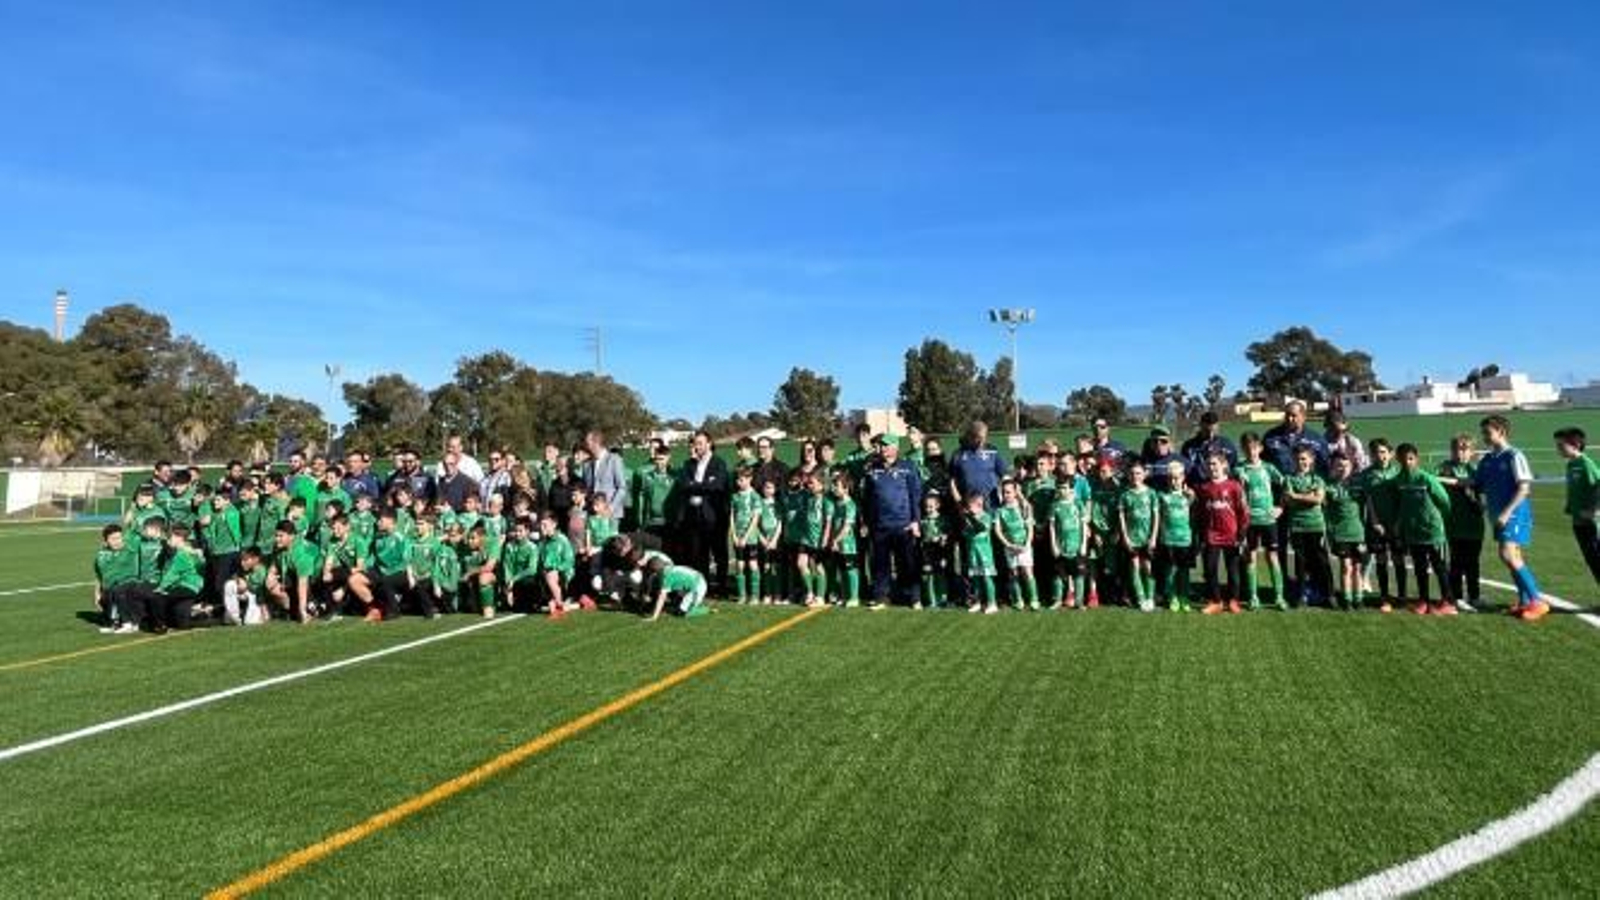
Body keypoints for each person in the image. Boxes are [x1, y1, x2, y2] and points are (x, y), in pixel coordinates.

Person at [1476, 416, 1550, 620]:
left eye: (1487, 432)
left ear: (1501, 431)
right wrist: (1437, 479)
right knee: (1512, 558)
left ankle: (1537, 601)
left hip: (1514, 514)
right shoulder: (1488, 459)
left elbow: (1524, 488)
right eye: (1483, 432)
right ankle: (1525, 601)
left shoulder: (1514, 455)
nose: (1484, 436)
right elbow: (1474, 483)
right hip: (1498, 516)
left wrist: (1506, 513)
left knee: (1508, 555)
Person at [862, 434, 924, 609]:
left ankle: (913, 597)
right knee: (880, 565)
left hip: (904, 525)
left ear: (896, 448)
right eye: (881, 446)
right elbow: (867, 499)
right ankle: (882, 597)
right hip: (880, 526)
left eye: (886, 446)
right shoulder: (871, 469)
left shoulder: (908, 467)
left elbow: (915, 495)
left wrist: (915, 521)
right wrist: (866, 522)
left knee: (908, 563)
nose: (883, 449)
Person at [1394, 443, 1455, 616]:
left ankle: (1448, 601)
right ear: (1398, 459)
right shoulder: (1399, 480)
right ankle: (1423, 601)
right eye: (1403, 459)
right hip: (1413, 532)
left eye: (1411, 458)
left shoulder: (1426, 478)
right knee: (1419, 567)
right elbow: (1401, 505)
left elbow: (1444, 501)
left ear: (1416, 459)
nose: (1407, 462)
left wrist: (1438, 521)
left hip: (1432, 531)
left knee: (1439, 566)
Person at [1236, 433, 1286, 611]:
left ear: (1260, 448)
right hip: (1250, 521)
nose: (1251, 452)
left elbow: (1285, 484)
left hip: (1268, 519)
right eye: (1247, 448)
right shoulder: (1239, 469)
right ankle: (1253, 597)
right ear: (1243, 449)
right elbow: (1234, 493)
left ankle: (1279, 596)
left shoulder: (1268, 468)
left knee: (1272, 557)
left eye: (1254, 448)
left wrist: (1280, 507)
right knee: (1251, 557)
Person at [675, 431, 729, 591]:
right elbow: (684, 485)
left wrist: (694, 486)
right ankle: (703, 587)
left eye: (700, 443)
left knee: (719, 553)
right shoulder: (688, 464)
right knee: (699, 554)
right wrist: (703, 485)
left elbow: (717, 486)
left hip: (714, 516)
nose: (697, 446)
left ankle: (722, 586)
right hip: (694, 516)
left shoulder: (719, 463)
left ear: (709, 443)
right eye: (695, 443)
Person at [1436, 434, 1485, 612]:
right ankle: (1456, 597)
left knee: (1473, 562)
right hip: (1453, 523)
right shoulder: (1444, 468)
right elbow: (1433, 480)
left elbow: (1477, 484)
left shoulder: (1475, 470)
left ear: (1471, 452)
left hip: (1474, 523)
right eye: (1456, 449)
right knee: (1456, 562)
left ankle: (1475, 596)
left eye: (1464, 449)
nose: (1460, 453)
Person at [1196, 453, 1248, 615]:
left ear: (1224, 465)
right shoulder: (1204, 488)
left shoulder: (1234, 486)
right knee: (1210, 569)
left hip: (1231, 535)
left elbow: (1243, 512)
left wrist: (1241, 534)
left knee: (1233, 570)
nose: (1212, 468)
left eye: (1215, 464)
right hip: (1212, 535)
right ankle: (1216, 601)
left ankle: (1233, 600)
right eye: (1209, 465)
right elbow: (1200, 512)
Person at [1360, 438, 1407, 608]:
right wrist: (1374, 522)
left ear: (1391, 453)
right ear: (1371, 456)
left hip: (1397, 524)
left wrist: (1399, 522)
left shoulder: (1399, 472)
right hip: (1376, 526)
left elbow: (1403, 500)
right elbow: (1368, 499)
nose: (1380, 456)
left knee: (1398, 559)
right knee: (1380, 559)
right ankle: (1385, 597)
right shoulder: (1366, 474)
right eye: (1376, 453)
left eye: (1383, 452)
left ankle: (1402, 596)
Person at [1282, 446, 1331, 608]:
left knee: (1322, 561)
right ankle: (1301, 595)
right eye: (1297, 458)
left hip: (1316, 526)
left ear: (1311, 460)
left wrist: (1297, 496)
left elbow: (1318, 500)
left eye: (1304, 458)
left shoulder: (1318, 479)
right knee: (1300, 563)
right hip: (1297, 526)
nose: (1300, 461)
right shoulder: (1288, 479)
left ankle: (1328, 594)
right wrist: (1308, 496)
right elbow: (1288, 500)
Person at [1555, 427, 1600, 589]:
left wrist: (1595, 510)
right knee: (1592, 561)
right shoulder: (1571, 465)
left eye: (1561, 445)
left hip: (1591, 523)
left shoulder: (1585, 464)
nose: (1558, 449)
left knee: (1597, 559)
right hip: (1578, 521)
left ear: (1576, 444)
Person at [1323, 452, 1368, 612]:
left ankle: (1359, 599)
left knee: (1357, 567)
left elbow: (1368, 506)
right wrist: (1328, 532)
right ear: (1333, 467)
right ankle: (1346, 599)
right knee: (1346, 567)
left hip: (1358, 533)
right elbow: (1325, 510)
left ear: (1352, 466)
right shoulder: (1329, 486)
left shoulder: (1359, 484)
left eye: (1346, 465)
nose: (1343, 468)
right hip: (1341, 533)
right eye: (1339, 466)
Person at [1048, 452, 1091, 610]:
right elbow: (1052, 526)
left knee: (1079, 573)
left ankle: (1079, 601)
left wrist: (1085, 537)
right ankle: (1058, 599)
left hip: (1077, 543)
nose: (1063, 490)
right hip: (1061, 544)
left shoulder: (1079, 499)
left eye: (1066, 463)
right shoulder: (1055, 505)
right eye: (1061, 464)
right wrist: (1054, 544)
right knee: (1059, 573)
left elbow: (1087, 504)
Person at [1155, 460, 1195, 613]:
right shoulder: (1162, 496)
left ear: (1183, 477)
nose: (1174, 481)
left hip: (1185, 539)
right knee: (1170, 570)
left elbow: (1195, 513)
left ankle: (1184, 597)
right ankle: (1172, 597)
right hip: (1168, 539)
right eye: (1171, 478)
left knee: (1184, 570)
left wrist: (1191, 497)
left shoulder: (1189, 495)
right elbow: (1158, 517)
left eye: (1177, 477)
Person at [1119, 461, 1159, 611]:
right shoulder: (1125, 495)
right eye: (1132, 473)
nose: (1135, 476)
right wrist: (1125, 537)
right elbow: (1122, 517)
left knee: (1148, 567)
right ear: (1128, 475)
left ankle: (1150, 597)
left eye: (1138, 473)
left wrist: (1153, 537)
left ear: (1144, 475)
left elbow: (1156, 516)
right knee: (1134, 565)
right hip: (1132, 538)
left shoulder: (1151, 493)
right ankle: (1141, 598)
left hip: (1147, 537)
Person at [994, 479, 1039, 612]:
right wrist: (1007, 544)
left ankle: (1034, 600)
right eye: (1004, 492)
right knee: (1013, 573)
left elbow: (1030, 527)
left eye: (1009, 492)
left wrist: (1027, 544)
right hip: (1009, 547)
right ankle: (1018, 600)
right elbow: (998, 530)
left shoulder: (1023, 507)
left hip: (1024, 546)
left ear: (1015, 492)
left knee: (1027, 571)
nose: (1006, 495)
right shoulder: (999, 511)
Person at [94, 524, 141, 634]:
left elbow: (139, 533)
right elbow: (98, 575)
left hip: (130, 583)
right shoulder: (101, 554)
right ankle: (114, 624)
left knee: (118, 591)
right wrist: (96, 594)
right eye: (113, 539)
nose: (118, 541)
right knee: (106, 595)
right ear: (106, 541)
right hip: (111, 587)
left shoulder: (130, 548)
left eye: (119, 538)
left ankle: (128, 623)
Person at [728, 468, 764, 604]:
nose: (739, 483)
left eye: (742, 480)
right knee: (739, 565)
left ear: (750, 479)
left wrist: (745, 536)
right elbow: (732, 516)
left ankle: (755, 596)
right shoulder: (735, 496)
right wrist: (734, 535)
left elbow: (755, 518)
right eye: (737, 480)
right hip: (738, 536)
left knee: (752, 564)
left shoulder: (755, 496)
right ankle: (742, 595)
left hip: (750, 538)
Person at [828, 472, 863, 608]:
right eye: (834, 486)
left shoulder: (850, 505)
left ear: (846, 488)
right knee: (841, 570)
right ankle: (844, 596)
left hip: (848, 544)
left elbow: (847, 527)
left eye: (837, 486)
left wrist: (836, 540)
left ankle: (854, 597)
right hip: (838, 544)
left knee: (850, 569)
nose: (834, 489)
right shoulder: (837, 503)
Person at [795, 472, 830, 608]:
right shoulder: (808, 498)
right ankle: (809, 593)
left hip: (818, 539)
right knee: (801, 563)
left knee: (818, 567)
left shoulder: (826, 501)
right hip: (806, 538)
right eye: (809, 483)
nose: (809, 486)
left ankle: (820, 597)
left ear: (821, 485)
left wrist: (825, 539)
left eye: (812, 483)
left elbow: (828, 522)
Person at [538, 510, 580, 618]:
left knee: (551, 575)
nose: (542, 528)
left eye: (545, 525)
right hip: (547, 576)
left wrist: (556, 568)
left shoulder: (562, 540)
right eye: (541, 525)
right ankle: (564, 605)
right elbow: (540, 562)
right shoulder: (542, 542)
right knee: (549, 607)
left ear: (554, 524)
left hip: (564, 575)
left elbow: (569, 561)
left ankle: (559, 605)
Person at [962, 493, 999, 615]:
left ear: (979, 504)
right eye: (968, 506)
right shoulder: (967, 519)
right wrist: (968, 521)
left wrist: (971, 517)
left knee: (987, 577)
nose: (969, 508)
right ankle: (978, 602)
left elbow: (981, 528)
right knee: (976, 579)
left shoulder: (986, 517)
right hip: (973, 552)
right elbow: (966, 534)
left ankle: (992, 603)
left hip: (985, 553)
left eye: (971, 506)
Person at [1179, 411, 1239, 484]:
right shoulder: (1189, 447)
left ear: (1218, 426)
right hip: (1198, 487)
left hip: (1222, 489)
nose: (1211, 435)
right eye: (1207, 431)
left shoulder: (1226, 445)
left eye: (1214, 431)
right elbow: (1184, 470)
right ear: (1201, 426)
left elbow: (1234, 467)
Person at [583, 431, 630, 524]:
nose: (586, 447)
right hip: (592, 515)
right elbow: (586, 489)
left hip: (610, 515)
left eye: (588, 444)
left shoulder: (614, 459)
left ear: (596, 443)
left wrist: (610, 509)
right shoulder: (586, 464)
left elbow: (622, 488)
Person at [633, 445, 676, 545]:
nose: (658, 462)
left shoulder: (675, 477)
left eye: (661, 459)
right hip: (651, 522)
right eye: (656, 459)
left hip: (669, 522)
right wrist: (640, 521)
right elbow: (641, 500)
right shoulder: (647, 478)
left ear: (668, 458)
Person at [646, 558, 712, 621]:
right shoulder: (667, 569)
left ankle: (707, 609)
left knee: (682, 613)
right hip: (694, 582)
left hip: (698, 586)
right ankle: (688, 603)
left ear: (656, 572)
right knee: (677, 606)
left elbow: (662, 597)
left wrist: (654, 617)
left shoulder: (667, 577)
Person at [501, 517, 543, 615]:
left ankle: (534, 602)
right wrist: (509, 587)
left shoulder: (532, 547)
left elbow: (532, 569)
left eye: (521, 531)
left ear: (527, 532)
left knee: (530, 581)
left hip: (524, 581)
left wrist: (514, 579)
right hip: (512, 583)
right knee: (513, 608)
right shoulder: (509, 546)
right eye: (516, 531)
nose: (517, 533)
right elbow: (507, 566)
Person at [918, 493, 951, 610]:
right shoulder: (923, 521)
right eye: (926, 507)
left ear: (938, 505)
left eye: (931, 506)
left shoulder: (943, 520)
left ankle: (943, 599)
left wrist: (942, 538)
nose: (928, 509)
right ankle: (932, 601)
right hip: (927, 552)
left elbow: (947, 535)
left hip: (940, 551)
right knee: (929, 576)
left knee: (941, 575)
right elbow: (921, 537)